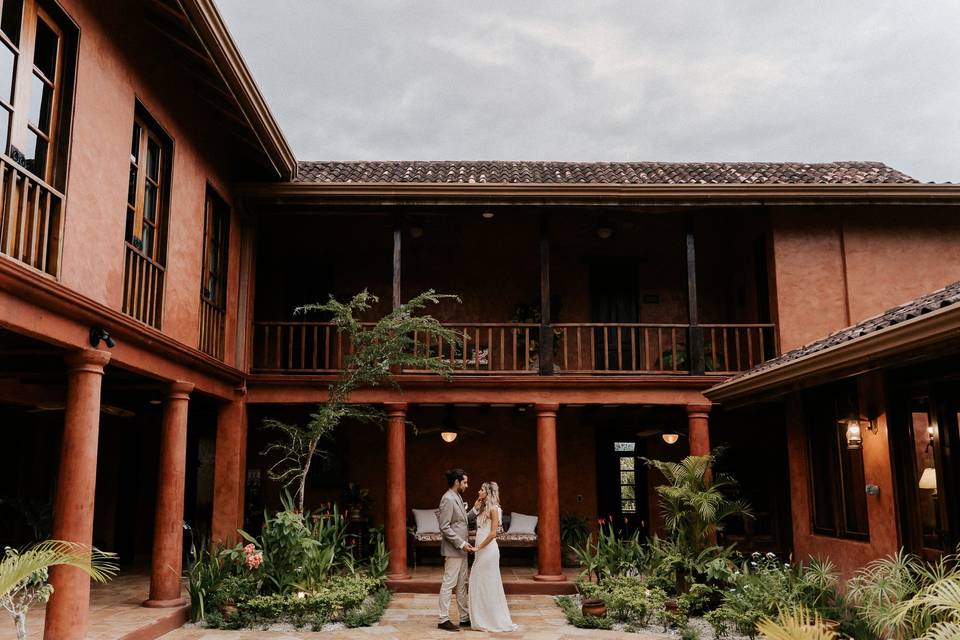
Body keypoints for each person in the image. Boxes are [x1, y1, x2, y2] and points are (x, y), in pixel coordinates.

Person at [467, 481, 518, 632]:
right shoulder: (483, 508)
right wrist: (475, 508)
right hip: (481, 551)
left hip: (488, 551)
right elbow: (473, 522)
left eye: (482, 490)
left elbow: (493, 533)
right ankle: (480, 617)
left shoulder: (494, 509)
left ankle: (490, 619)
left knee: (487, 582)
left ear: (488, 493)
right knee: (478, 581)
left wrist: (478, 547)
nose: (479, 491)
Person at [437, 468, 482, 632]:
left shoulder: (457, 496)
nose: (467, 485)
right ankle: (443, 618)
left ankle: (464, 617)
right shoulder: (448, 499)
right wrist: (461, 543)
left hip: (462, 550)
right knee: (449, 583)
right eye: (465, 482)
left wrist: (475, 510)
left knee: (462, 583)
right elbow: (444, 527)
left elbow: (462, 521)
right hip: (454, 549)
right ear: (457, 482)